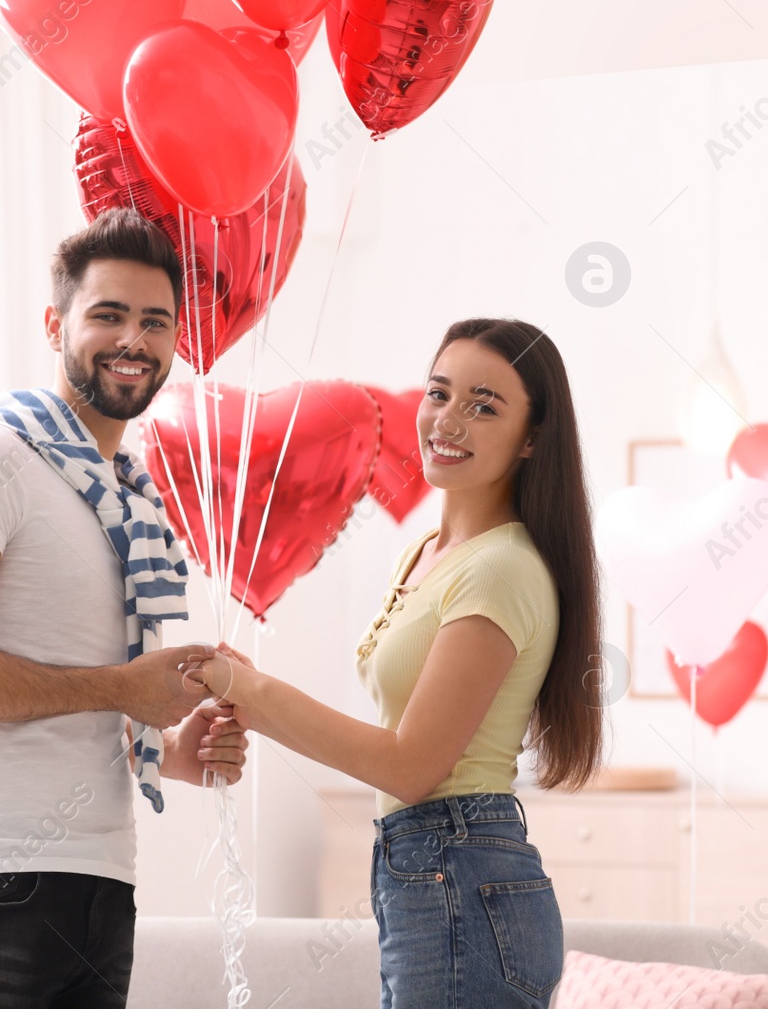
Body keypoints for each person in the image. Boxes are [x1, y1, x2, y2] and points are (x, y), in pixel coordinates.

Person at [0, 208, 246, 1008]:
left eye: (155, 321)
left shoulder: (125, 502)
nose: (133, 339)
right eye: (108, 314)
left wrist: (175, 749)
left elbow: (87, 707)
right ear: (54, 323)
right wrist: (119, 686)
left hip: (102, 885)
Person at [195, 318, 605, 1009]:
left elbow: (411, 765)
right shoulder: (421, 552)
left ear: (533, 438)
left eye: (484, 405)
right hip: (425, 865)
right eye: (439, 393)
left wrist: (257, 693)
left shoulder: (502, 567)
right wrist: (250, 698)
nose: (447, 419)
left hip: (459, 862)